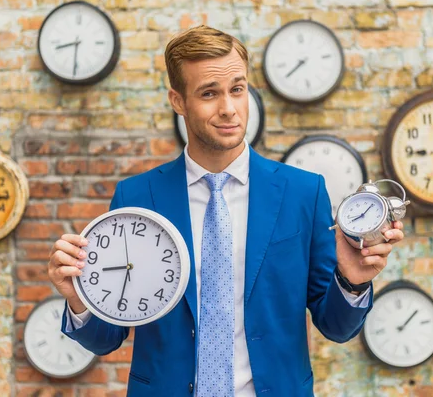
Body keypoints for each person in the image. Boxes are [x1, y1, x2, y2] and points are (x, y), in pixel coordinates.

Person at [47, 25, 404, 396]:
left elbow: (337, 327)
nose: (228, 108)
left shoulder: (303, 192)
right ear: (177, 101)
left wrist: (352, 280)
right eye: (209, 93)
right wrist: (79, 300)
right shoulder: (137, 197)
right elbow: (108, 338)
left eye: (237, 89)